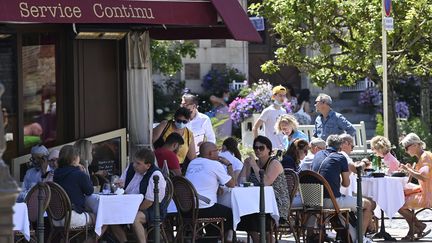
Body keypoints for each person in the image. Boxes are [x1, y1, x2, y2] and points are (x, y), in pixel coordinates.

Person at [311, 135, 375, 238]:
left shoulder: (317, 155)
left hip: (314, 200)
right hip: (331, 201)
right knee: (367, 204)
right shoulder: (340, 157)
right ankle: (360, 238)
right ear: (340, 146)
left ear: (327, 144)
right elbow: (346, 184)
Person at [237, 135, 290, 242]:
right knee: (244, 214)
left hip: (275, 203)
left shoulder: (274, 163)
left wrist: (254, 165)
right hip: (256, 202)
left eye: (261, 148)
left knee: (252, 216)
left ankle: (266, 240)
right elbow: (241, 182)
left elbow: (265, 182)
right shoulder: (253, 163)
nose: (258, 150)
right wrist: (246, 166)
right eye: (255, 148)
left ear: (269, 149)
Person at [114, 148, 167, 243]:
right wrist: (120, 186)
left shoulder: (155, 174)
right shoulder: (131, 168)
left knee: (135, 218)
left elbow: (149, 202)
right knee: (110, 215)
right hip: (130, 204)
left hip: (152, 208)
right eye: (134, 162)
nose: (134, 165)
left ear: (148, 165)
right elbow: (122, 185)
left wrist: (132, 210)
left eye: (138, 163)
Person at [185, 142, 235, 242]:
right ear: (210, 153)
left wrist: (217, 186)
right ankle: (220, 238)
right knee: (231, 213)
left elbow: (202, 180)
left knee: (214, 212)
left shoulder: (193, 162)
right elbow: (232, 184)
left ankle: (210, 238)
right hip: (204, 207)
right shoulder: (215, 164)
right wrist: (229, 165)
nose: (219, 153)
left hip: (187, 208)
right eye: (217, 151)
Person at [398, 133, 432, 240]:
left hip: (428, 195)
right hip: (425, 191)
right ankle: (416, 227)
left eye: (407, 148)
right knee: (399, 197)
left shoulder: (425, 157)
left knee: (398, 203)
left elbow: (424, 177)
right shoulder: (424, 156)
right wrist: (411, 170)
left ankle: (417, 227)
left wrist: (409, 170)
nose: (406, 151)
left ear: (415, 145)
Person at [53, 145, 95, 227]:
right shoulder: (78, 174)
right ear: (75, 158)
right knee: (101, 218)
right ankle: (89, 240)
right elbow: (90, 191)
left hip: (56, 218)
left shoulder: (56, 174)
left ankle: (74, 239)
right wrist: (84, 172)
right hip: (71, 217)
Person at [253, 85, 288, 150]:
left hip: (283, 146)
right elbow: (255, 128)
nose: (282, 98)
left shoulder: (284, 111)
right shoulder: (268, 111)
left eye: (284, 95)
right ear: (274, 96)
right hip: (271, 147)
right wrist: (257, 146)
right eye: (280, 95)